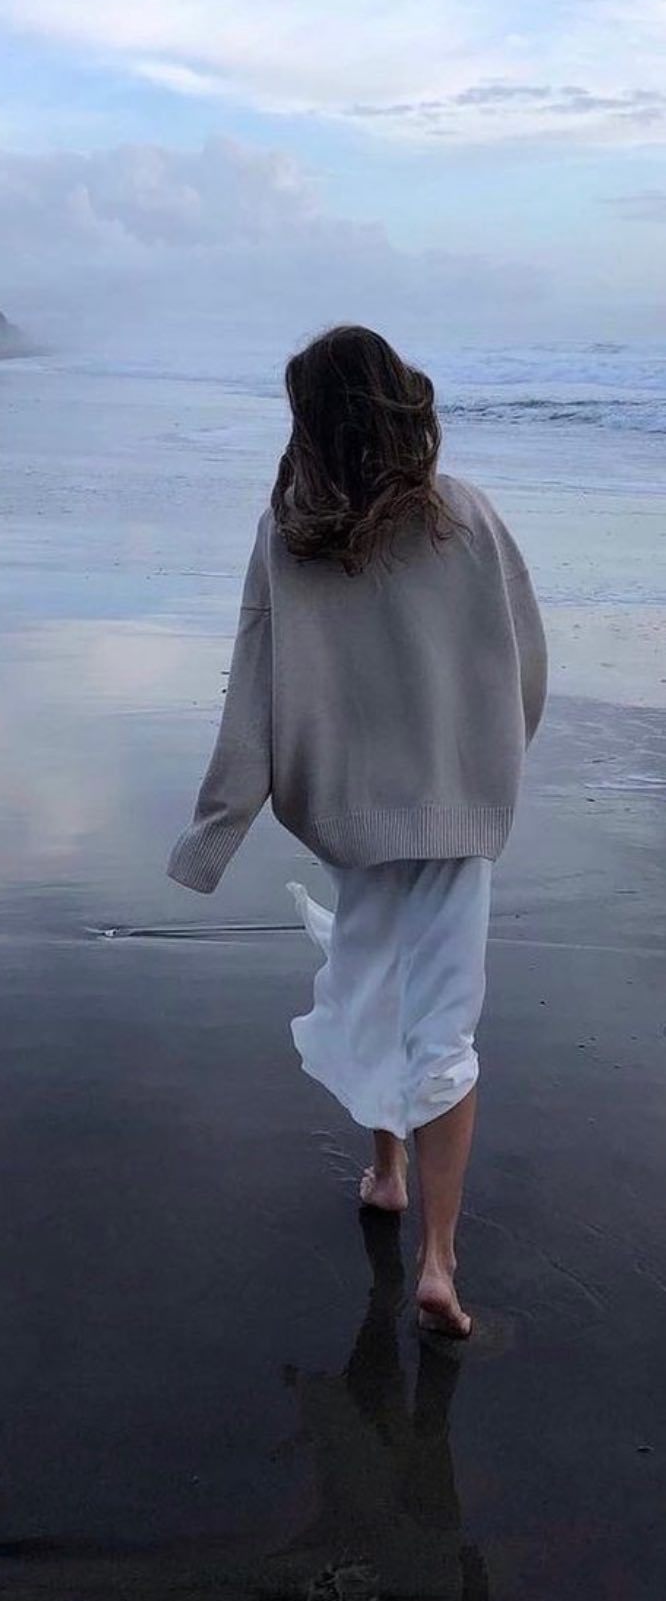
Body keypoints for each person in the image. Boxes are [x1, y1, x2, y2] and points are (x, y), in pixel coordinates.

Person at [166, 325, 548, 1339]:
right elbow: (523, 659)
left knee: (370, 978)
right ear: (399, 401)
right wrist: (492, 766)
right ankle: (438, 1258)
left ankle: (387, 1175)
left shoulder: (289, 532)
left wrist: (215, 831)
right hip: (459, 807)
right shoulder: (469, 516)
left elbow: (252, 688)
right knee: (445, 1025)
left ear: (311, 420)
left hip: (350, 814)